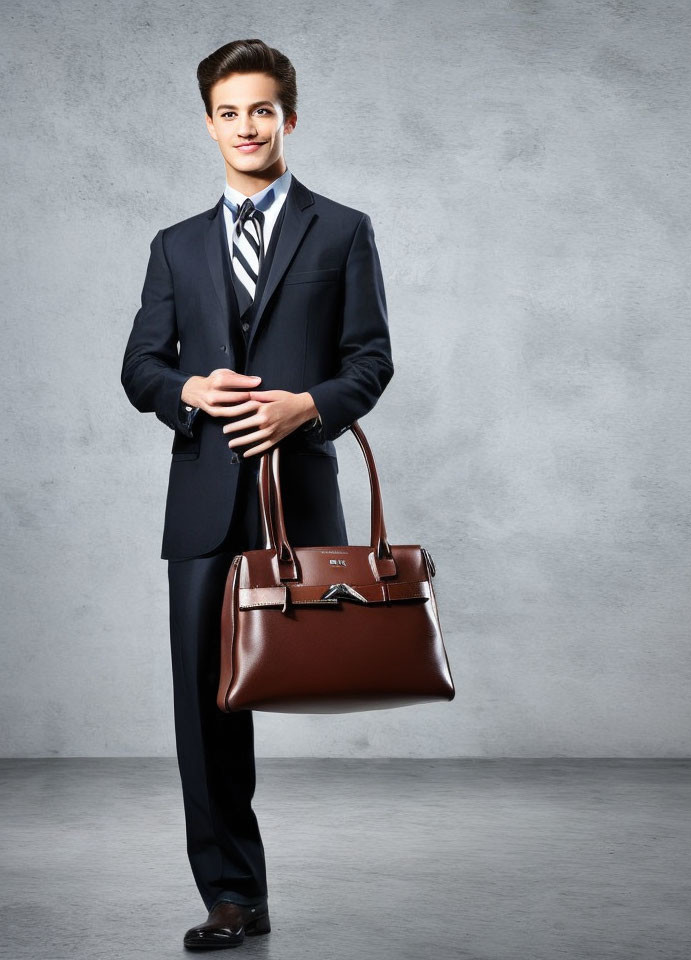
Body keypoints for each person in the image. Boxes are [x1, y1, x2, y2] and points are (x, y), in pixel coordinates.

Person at [120, 38, 393, 950]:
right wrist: (184, 393)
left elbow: (372, 361)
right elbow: (140, 367)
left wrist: (306, 406)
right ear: (209, 123)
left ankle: (247, 885)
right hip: (201, 504)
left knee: (302, 683)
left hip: (298, 503)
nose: (246, 126)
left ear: (290, 118)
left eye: (263, 109)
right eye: (229, 112)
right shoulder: (175, 246)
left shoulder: (343, 229)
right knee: (202, 706)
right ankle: (233, 896)